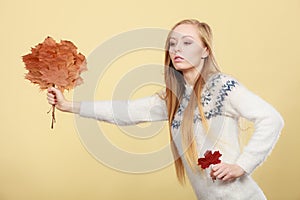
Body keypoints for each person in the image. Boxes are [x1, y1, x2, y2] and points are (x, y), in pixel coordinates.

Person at [47, 19, 284, 199]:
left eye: (187, 42)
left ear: (205, 51)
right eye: (172, 43)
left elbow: (271, 119)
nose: (177, 49)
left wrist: (241, 166)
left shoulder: (222, 86)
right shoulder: (172, 99)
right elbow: (126, 111)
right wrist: (69, 106)